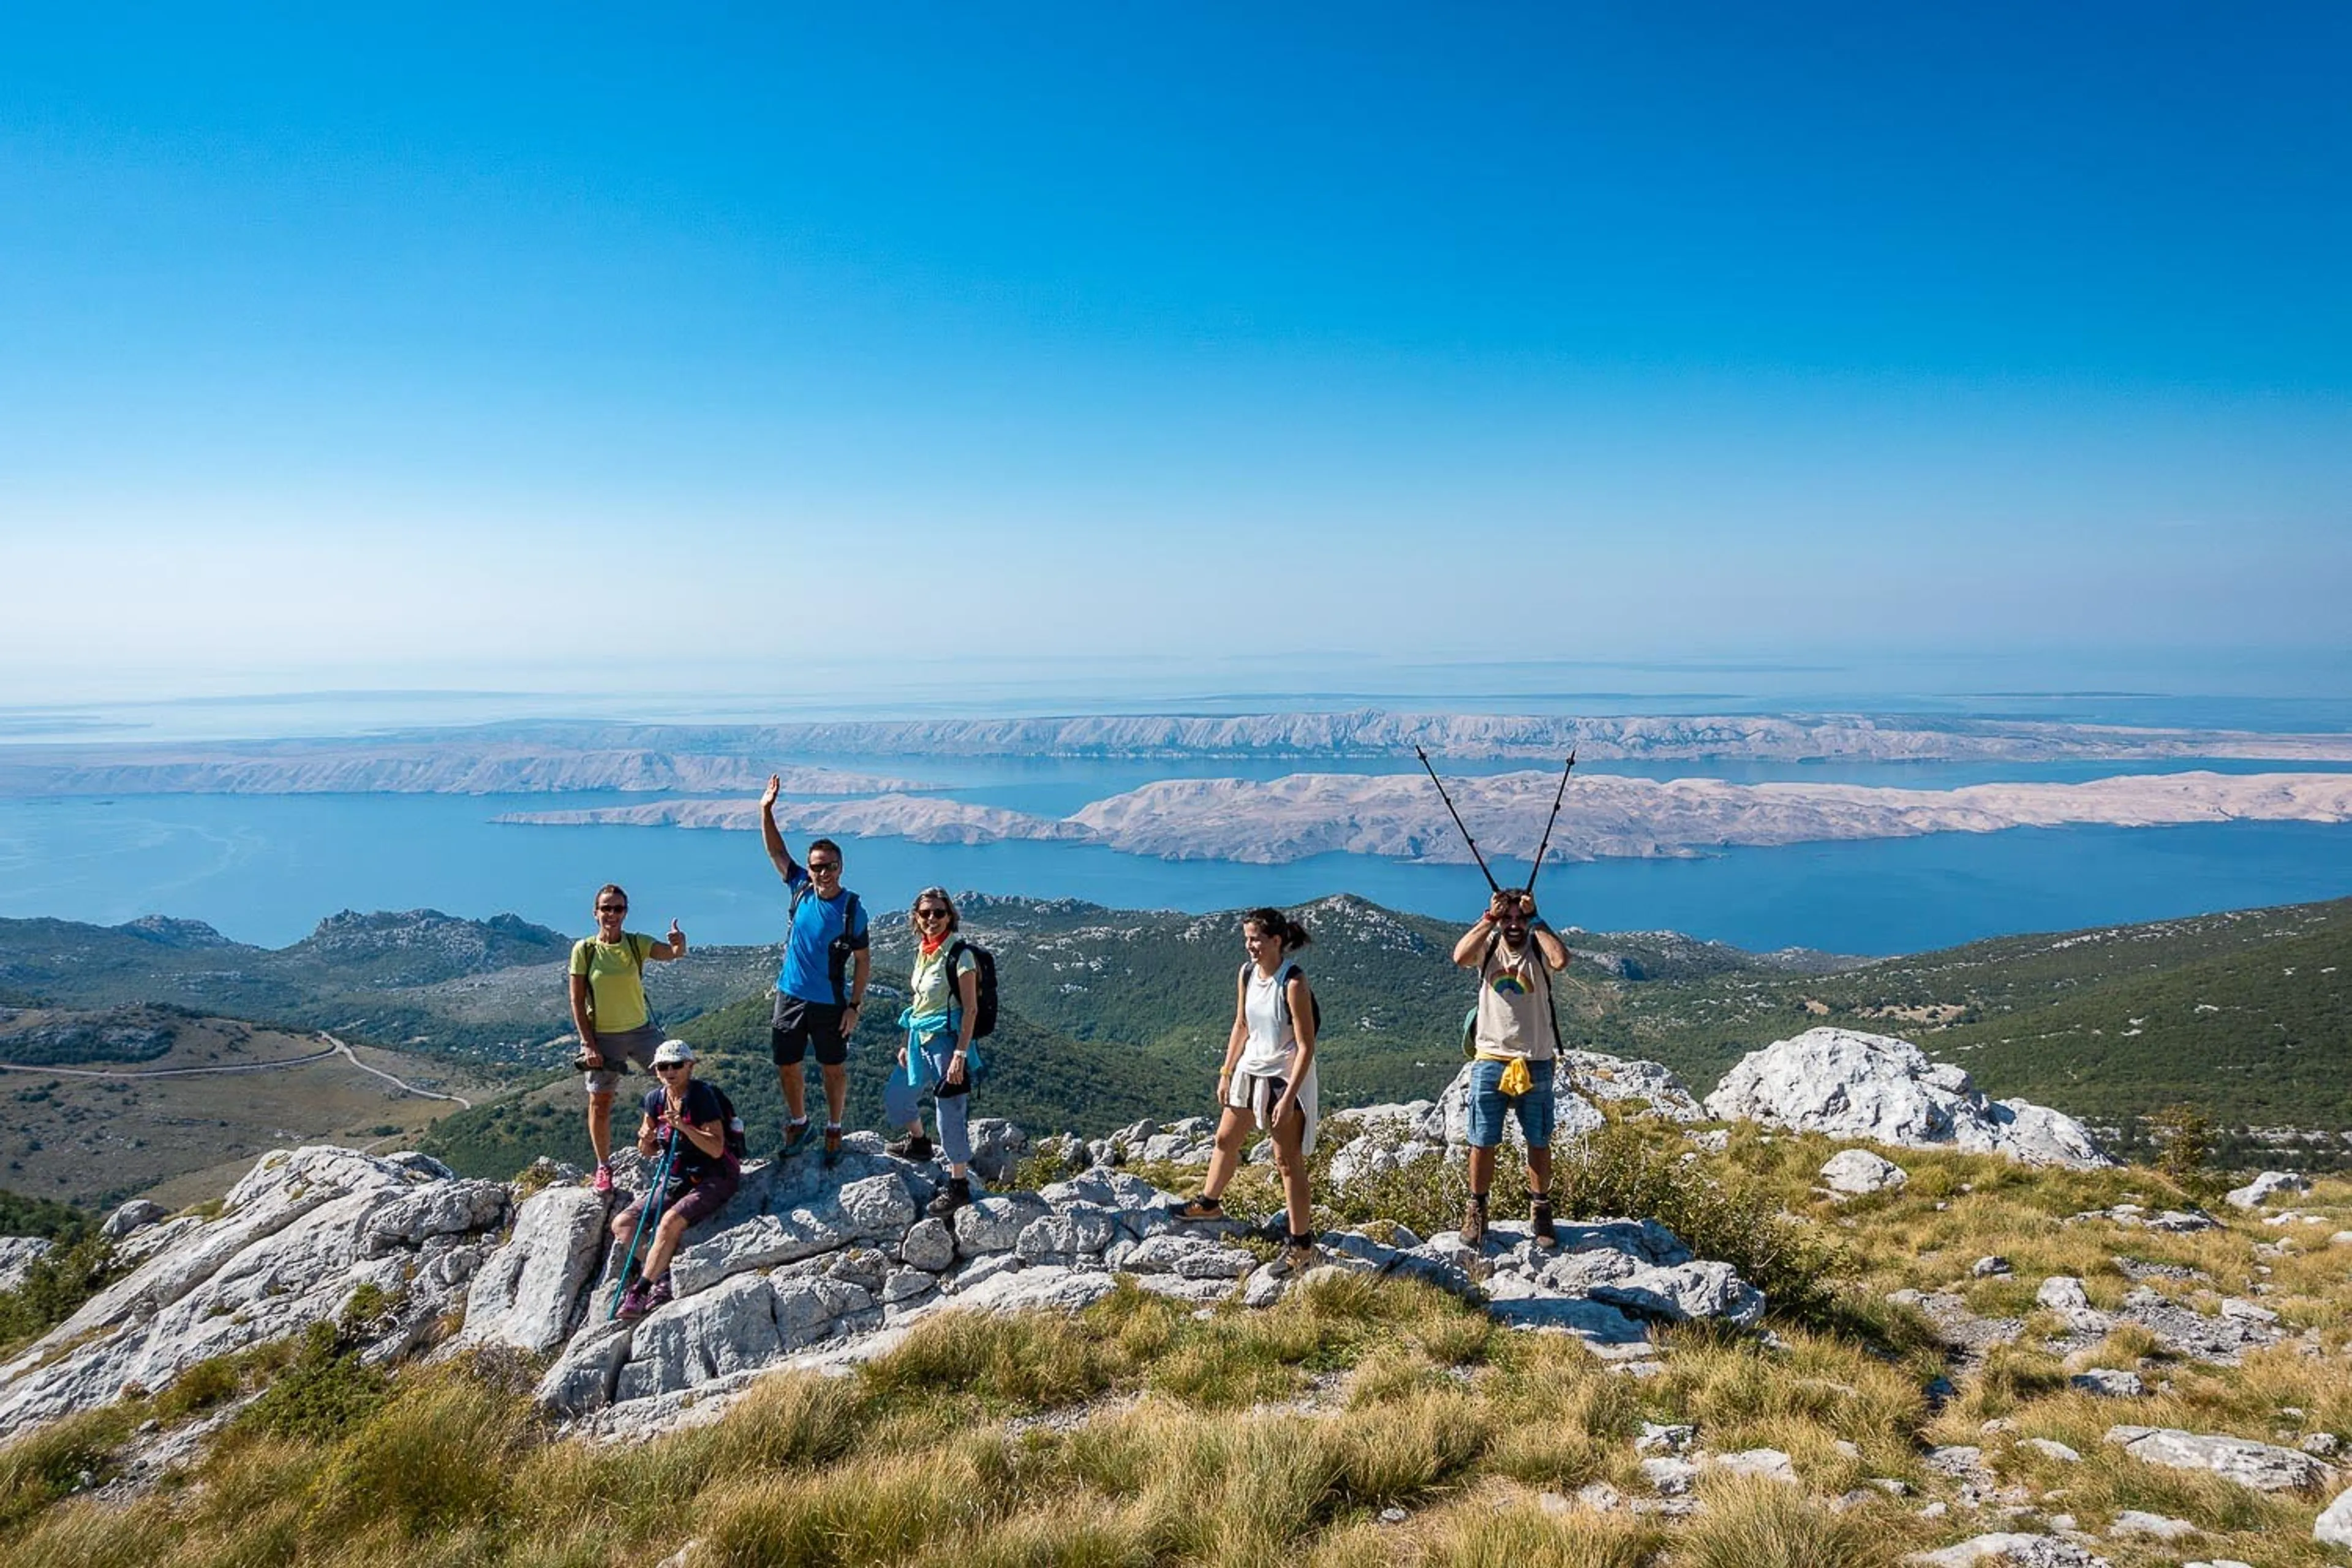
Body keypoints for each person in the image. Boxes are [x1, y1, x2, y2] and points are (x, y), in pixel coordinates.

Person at [1175, 907, 1319, 1269]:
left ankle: (1301, 1245)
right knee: (1225, 1139)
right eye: (1247, 940)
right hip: (1249, 1069)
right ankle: (1209, 1204)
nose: (1249, 946)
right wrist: (1226, 1071)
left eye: (1255, 939)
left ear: (1276, 940)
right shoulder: (1247, 974)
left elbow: (1306, 1046)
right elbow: (1241, 1024)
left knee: (1287, 1162)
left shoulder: (1293, 982)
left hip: (1282, 1079)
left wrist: (1289, 1098)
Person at [760, 774, 870, 1168]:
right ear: (808, 869)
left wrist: (854, 1007)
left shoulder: (852, 910)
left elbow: (863, 961)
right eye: (816, 866)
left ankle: (834, 1129)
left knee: (832, 1069)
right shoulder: (800, 888)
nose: (822, 873)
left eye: (829, 866)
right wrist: (765, 810)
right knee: (787, 1065)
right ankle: (799, 1122)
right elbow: (776, 851)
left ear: (841, 867)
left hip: (829, 1002)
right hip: (790, 995)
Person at [1450, 886, 1570, 1248]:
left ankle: (1541, 1211)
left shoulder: (1538, 947)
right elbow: (1460, 956)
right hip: (1490, 1058)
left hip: (1536, 1059)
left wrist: (1538, 919)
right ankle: (1477, 1210)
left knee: (1539, 1140)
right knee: (1481, 1140)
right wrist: (1489, 918)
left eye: (1520, 918)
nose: (1514, 925)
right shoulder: (1489, 947)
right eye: (1509, 918)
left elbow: (1560, 960)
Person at [568, 883, 687, 1195]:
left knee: (679, 1084)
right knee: (600, 1101)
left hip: (642, 1031)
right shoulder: (585, 950)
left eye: (618, 908)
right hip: (603, 1036)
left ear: (626, 913)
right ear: (595, 913)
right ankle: (603, 1167)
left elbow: (672, 954)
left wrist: (679, 944)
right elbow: (577, 1001)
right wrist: (588, 1043)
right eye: (606, 908)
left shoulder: (636, 944)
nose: (612, 914)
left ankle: (683, 1148)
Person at [612, 1038, 741, 1320]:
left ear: (690, 1066)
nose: (670, 1072)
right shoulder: (655, 1100)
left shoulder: (702, 1097)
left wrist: (683, 1127)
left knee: (669, 1221)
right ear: (656, 1070)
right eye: (663, 1067)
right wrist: (645, 1139)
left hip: (716, 1175)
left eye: (677, 1065)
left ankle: (640, 1290)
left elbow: (716, 1148)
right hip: (679, 1175)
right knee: (623, 1223)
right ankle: (662, 1273)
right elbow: (648, 1150)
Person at [883, 888, 984, 1217]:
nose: (932, 919)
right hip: (919, 1037)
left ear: (950, 916)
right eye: (925, 913)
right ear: (916, 918)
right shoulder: (924, 952)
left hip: (946, 1042)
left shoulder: (960, 955)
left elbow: (971, 1009)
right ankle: (919, 1143)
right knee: (898, 1095)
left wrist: (960, 1055)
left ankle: (959, 1184)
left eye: (939, 913)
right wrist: (906, 1041)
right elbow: (918, 1003)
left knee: (949, 1111)